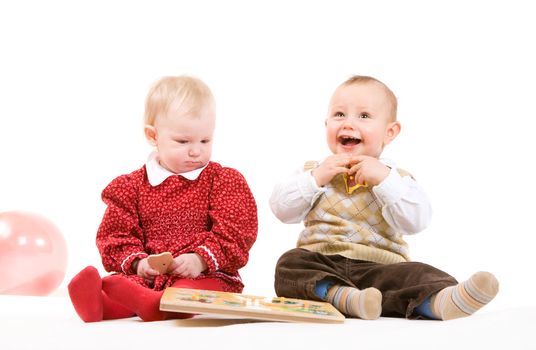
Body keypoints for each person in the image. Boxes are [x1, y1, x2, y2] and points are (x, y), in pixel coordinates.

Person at [270, 75, 498, 320]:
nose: (348, 124)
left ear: (389, 132)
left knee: (416, 274)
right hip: (322, 262)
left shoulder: (396, 179)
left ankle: (441, 302)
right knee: (290, 265)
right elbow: (281, 209)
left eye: (364, 116)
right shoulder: (313, 171)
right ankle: (345, 297)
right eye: (339, 115)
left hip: (380, 268)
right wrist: (315, 178)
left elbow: (416, 221)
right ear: (326, 124)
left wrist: (384, 180)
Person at [68, 76, 258, 322]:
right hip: (151, 277)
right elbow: (115, 235)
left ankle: (163, 304)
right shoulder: (131, 187)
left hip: (206, 275)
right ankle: (99, 305)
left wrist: (199, 259)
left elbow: (236, 232)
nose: (196, 150)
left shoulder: (222, 181)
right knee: (125, 287)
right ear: (152, 136)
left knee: (188, 293)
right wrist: (140, 264)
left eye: (205, 140)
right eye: (183, 141)